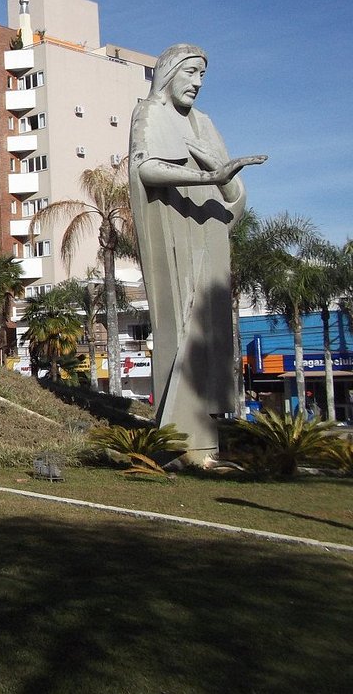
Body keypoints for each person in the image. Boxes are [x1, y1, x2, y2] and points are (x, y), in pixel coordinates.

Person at [128, 44, 267, 455]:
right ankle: (179, 441)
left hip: (209, 239)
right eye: (190, 72)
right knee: (180, 326)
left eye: (203, 75)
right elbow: (145, 167)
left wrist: (221, 176)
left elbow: (234, 194)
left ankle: (204, 440)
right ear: (169, 73)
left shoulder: (204, 124)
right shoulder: (149, 113)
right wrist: (202, 174)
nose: (198, 83)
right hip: (173, 235)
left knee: (208, 328)